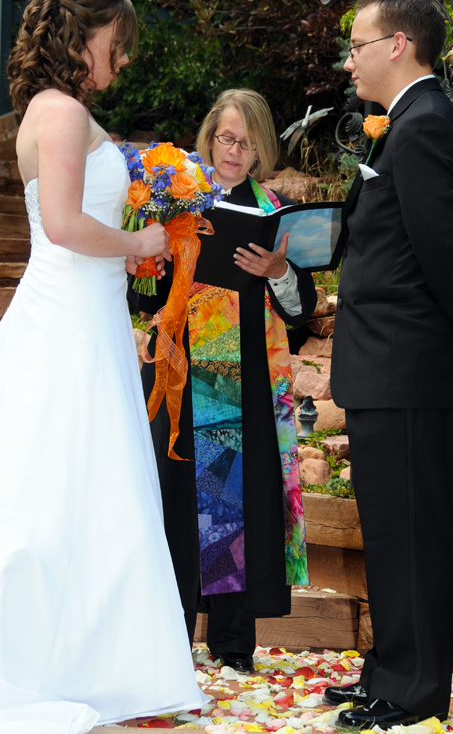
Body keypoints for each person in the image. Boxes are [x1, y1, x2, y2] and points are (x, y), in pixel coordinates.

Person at [0, 0, 203, 734]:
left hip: (78, 314)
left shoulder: (50, 111)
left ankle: (91, 654)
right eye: (117, 40)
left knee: (72, 486)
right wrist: (145, 235)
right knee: (72, 485)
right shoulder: (65, 112)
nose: (123, 56)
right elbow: (71, 227)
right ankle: (76, 660)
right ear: (85, 35)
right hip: (69, 316)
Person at [326, 0, 453, 729]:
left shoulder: (428, 124)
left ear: (397, 45)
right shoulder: (405, 122)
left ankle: (412, 691)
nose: (350, 60)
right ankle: (389, 672)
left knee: (413, 533)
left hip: (408, 367)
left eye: (359, 45)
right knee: (392, 530)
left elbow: (446, 251)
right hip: (386, 364)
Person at [130, 89, 316, 673]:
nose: (235, 150)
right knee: (179, 499)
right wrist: (150, 264)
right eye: (226, 138)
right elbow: (146, 293)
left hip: (247, 373)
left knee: (234, 499)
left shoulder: (275, 211)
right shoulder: (176, 201)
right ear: (210, 137)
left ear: (262, 149)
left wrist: (279, 269)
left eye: (248, 141)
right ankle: (167, 631)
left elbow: (302, 310)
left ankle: (233, 643)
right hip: (182, 369)